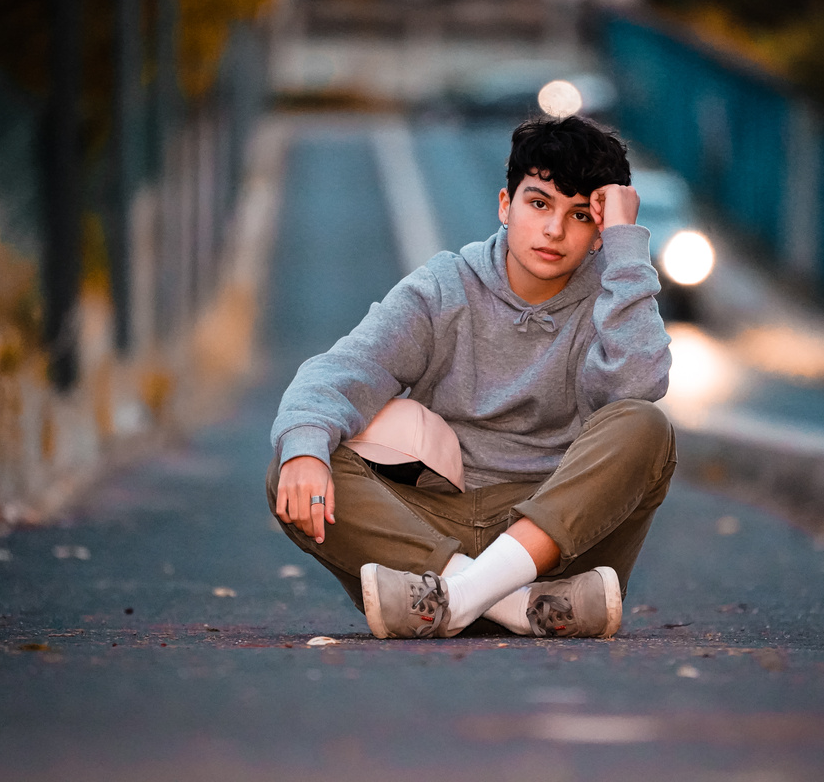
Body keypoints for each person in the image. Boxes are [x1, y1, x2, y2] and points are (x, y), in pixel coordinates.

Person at [267, 115, 676, 639]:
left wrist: (625, 243)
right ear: (505, 206)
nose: (554, 230)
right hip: (432, 526)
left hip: (554, 535)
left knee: (647, 426)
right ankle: (511, 604)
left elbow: (638, 385)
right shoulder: (443, 289)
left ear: (598, 232)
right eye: (539, 203)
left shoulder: (612, 297)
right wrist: (304, 448)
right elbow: (339, 373)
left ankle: (450, 600)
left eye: (579, 216)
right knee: (295, 458)